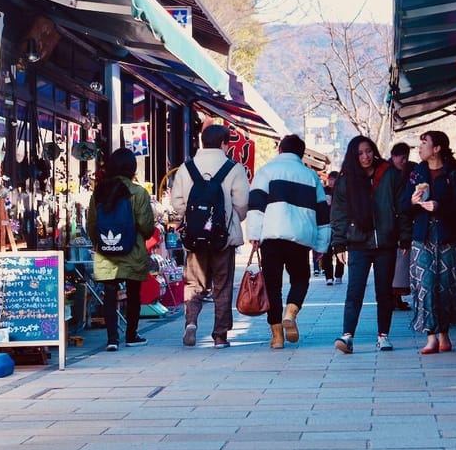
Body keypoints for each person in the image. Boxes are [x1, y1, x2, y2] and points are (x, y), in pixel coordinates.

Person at [170, 124, 249, 348]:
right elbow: (242, 204)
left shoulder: (187, 168)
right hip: (223, 238)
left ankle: (191, 323)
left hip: (195, 238)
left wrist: (195, 220)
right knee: (222, 286)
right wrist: (230, 219)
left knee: (194, 284)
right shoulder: (234, 168)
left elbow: (177, 203)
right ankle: (220, 335)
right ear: (224, 144)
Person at [248, 135, 330, 349]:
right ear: (301, 153)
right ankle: (291, 312)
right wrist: (321, 245)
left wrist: (254, 234)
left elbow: (256, 205)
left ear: (280, 150)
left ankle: (276, 337)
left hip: (272, 237)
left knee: (272, 286)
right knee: (301, 278)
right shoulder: (311, 176)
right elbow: (323, 214)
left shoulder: (266, 171)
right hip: (300, 238)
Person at [330, 136, 410, 354]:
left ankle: (383, 335)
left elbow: (402, 208)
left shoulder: (390, 174)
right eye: (360, 153)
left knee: (384, 292)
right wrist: (338, 244)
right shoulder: (346, 181)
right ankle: (347, 336)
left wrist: (405, 236)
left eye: (368, 151)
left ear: (374, 151)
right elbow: (338, 214)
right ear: (353, 156)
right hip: (358, 243)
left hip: (386, 242)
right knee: (354, 290)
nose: (365, 157)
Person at [86, 147, 156, 351]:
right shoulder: (138, 192)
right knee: (133, 294)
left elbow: (92, 223)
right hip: (132, 251)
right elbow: (146, 226)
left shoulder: (99, 192)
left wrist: (99, 243)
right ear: (132, 168)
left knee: (110, 293)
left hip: (106, 251)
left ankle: (111, 339)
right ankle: (131, 335)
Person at [407, 130, 456, 354]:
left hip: (447, 237)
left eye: (424, 143)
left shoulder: (453, 173)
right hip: (422, 237)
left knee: (445, 286)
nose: (420, 147)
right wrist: (413, 202)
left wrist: (439, 206)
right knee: (424, 286)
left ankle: (445, 334)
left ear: (437, 149)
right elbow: (403, 206)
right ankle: (431, 337)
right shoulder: (417, 172)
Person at [389, 142, 416, 311]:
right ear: (393, 156)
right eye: (401, 157)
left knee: (400, 265)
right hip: (391, 223)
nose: (404, 160)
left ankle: (396, 297)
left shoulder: (411, 170)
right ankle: (392, 298)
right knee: (393, 265)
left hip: (404, 221)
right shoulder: (386, 172)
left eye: (406, 157)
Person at [320, 170, 344, 285]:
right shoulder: (323, 191)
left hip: (338, 224)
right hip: (326, 224)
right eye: (329, 179)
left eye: (332, 179)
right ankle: (328, 276)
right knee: (327, 251)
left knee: (340, 249)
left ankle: (339, 275)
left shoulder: (341, 192)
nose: (330, 182)